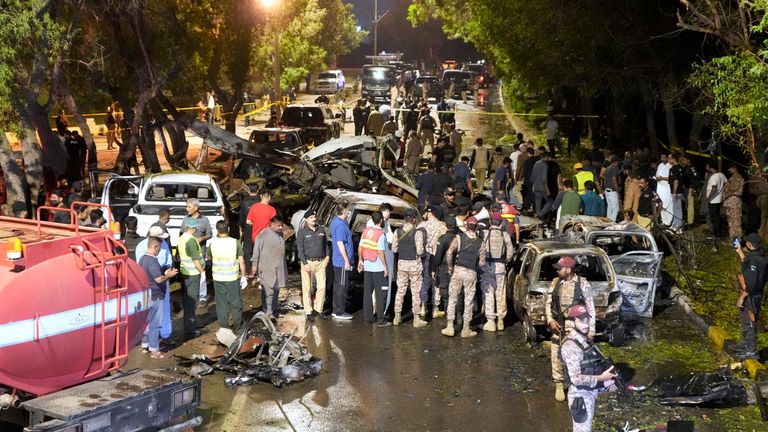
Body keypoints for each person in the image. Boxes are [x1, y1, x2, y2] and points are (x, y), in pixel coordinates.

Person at [545, 255, 596, 402]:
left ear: (569, 269)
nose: (558, 271)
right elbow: (548, 304)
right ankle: (559, 384)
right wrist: (550, 321)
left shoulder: (583, 284)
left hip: (576, 329)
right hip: (559, 327)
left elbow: (591, 309)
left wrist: (591, 331)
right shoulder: (555, 283)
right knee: (556, 356)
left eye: (560, 268)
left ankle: (575, 384)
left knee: (576, 358)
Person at [560, 304, 618, 431]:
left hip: (591, 392)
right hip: (580, 396)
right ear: (572, 322)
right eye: (581, 320)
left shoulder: (584, 340)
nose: (586, 324)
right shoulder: (570, 346)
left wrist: (610, 382)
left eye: (587, 319)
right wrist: (602, 378)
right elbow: (576, 379)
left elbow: (592, 364)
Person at [442, 216, 482, 338]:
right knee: (469, 300)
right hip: (471, 273)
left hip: (458, 271)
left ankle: (450, 326)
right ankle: (466, 329)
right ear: (476, 227)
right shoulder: (481, 242)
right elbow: (482, 262)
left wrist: (450, 268)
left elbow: (449, 253)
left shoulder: (459, 238)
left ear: (466, 226)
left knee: (453, 298)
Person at [139, 237, 178, 359]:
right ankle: (155, 350)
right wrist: (169, 275)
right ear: (154, 247)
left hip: (145, 294)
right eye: (159, 249)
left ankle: (145, 345)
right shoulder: (152, 261)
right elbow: (159, 279)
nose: (159, 251)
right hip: (155, 295)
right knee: (155, 323)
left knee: (145, 323)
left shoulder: (142, 259)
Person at [135, 225, 174, 345]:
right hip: (158, 283)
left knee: (146, 318)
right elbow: (167, 264)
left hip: (145, 286)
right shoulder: (156, 251)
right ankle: (157, 342)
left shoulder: (141, 247)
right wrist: (168, 275)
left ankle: (146, 343)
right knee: (158, 315)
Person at [733, 233, 767, 360]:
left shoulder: (754, 260)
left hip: (750, 295)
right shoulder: (759, 257)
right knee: (746, 318)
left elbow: (752, 282)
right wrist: (740, 253)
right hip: (755, 294)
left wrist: (742, 296)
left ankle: (751, 351)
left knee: (750, 321)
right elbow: (750, 269)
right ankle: (746, 344)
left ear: (748, 244)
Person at [209, 220, 247, 331]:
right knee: (235, 302)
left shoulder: (212, 243)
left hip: (218, 278)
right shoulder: (235, 243)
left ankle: (224, 327)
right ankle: (238, 326)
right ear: (228, 229)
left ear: (217, 230)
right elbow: (242, 261)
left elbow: (210, 258)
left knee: (221, 304)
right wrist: (243, 276)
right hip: (232, 278)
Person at [480, 213, 514, 332]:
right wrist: (504, 261)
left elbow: (481, 251)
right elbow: (510, 251)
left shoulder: (484, 234)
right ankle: (501, 320)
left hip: (487, 268)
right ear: (500, 222)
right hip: (500, 267)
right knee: (500, 293)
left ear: (490, 221)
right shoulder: (505, 235)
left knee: (488, 293)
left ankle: (490, 320)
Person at [251, 216, 288, 320]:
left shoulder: (280, 234)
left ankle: (274, 310)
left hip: (279, 267)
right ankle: (268, 312)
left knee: (276, 289)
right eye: (278, 225)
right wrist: (254, 265)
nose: (281, 227)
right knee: (269, 290)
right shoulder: (263, 235)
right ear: (271, 224)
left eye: (282, 225)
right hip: (266, 267)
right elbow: (256, 251)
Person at [357, 211, 390, 325]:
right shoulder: (381, 234)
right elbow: (380, 251)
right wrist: (385, 266)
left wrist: (360, 260)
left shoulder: (365, 231)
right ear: (381, 220)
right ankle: (381, 319)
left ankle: (368, 317)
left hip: (367, 266)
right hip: (378, 268)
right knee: (381, 294)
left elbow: (360, 246)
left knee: (367, 292)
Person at [297, 210, 330, 321]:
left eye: (315, 217)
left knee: (322, 287)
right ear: (306, 219)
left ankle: (318, 309)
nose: (314, 219)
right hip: (308, 263)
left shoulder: (321, 229)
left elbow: (325, 245)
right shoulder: (302, 232)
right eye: (311, 217)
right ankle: (308, 311)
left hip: (321, 262)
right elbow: (300, 250)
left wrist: (327, 257)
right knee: (307, 288)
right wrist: (305, 263)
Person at [180, 198, 213, 307]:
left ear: (196, 208)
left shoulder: (204, 220)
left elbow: (209, 234)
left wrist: (201, 238)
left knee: (201, 274)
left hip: (200, 253)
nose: (187, 209)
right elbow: (181, 234)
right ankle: (190, 296)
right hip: (187, 254)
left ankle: (202, 297)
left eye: (189, 207)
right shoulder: (185, 219)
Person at [417, 205, 447, 318]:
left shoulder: (421, 225)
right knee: (436, 282)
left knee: (424, 281)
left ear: (429, 213)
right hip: (436, 257)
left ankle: (423, 307)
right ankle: (435, 308)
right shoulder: (442, 225)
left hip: (424, 257)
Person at [179, 220, 205, 339]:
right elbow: (195, 259)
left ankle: (192, 322)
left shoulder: (182, 237)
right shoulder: (190, 240)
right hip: (193, 273)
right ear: (194, 228)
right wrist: (202, 271)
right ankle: (190, 327)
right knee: (192, 301)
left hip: (185, 272)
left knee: (188, 299)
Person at [330, 199, 354, 320]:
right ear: (344, 211)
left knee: (338, 285)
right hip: (341, 261)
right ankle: (339, 312)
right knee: (342, 287)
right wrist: (347, 261)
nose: (349, 212)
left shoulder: (336, 222)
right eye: (348, 210)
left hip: (338, 260)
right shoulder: (340, 225)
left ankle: (336, 310)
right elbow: (340, 244)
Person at [705, 161, 727, 247]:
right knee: (717, 217)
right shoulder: (722, 175)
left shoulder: (714, 177)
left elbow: (714, 188)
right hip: (719, 200)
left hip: (713, 201)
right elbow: (726, 183)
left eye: (708, 167)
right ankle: (719, 233)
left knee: (714, 219)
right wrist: (722, 193)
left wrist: (709, 197)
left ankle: (716, 235)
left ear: (711, 167)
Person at [238, 185, 260, 274]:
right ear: (257, 191)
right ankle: (257, 269)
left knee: (247, 249)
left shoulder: (244, 202)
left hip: (248, 228)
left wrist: (241, 227)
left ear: (249, 191)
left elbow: (242, 217)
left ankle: (248, 269)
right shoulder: (260, 202)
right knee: (258, 248)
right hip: (259, 227)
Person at [723, 165, 745, 244]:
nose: (729, 169)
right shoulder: (732, 178)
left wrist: (726, 192)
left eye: (730, 168)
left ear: (735, 168)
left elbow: (731, 188)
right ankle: (733, 241)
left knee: (736, 223)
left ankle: (737, 244)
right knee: (731, 223)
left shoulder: (738, 178)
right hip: (730, 203)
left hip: (734, 203)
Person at [656, 154, 673, 227]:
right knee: (661, 203)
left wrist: (662, 178)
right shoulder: (660, 165)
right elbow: (657, 175)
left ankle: (669, 222)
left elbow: (672, 178)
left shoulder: (670, 165)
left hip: (667, 187)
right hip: (660, 187)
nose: (662, 159)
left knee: (668, 204)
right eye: (661, 157)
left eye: (664, 157)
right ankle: (663, 220)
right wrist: (658, 178)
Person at [603, 156, 621, 222]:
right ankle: (613, 222)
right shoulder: (614, 168)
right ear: (616, 162)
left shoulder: (607, 168)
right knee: (616, 208)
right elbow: (614, 179)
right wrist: (617, 191)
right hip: (612, 191)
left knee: (610, 207)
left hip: (607, 190)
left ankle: (608, 221)